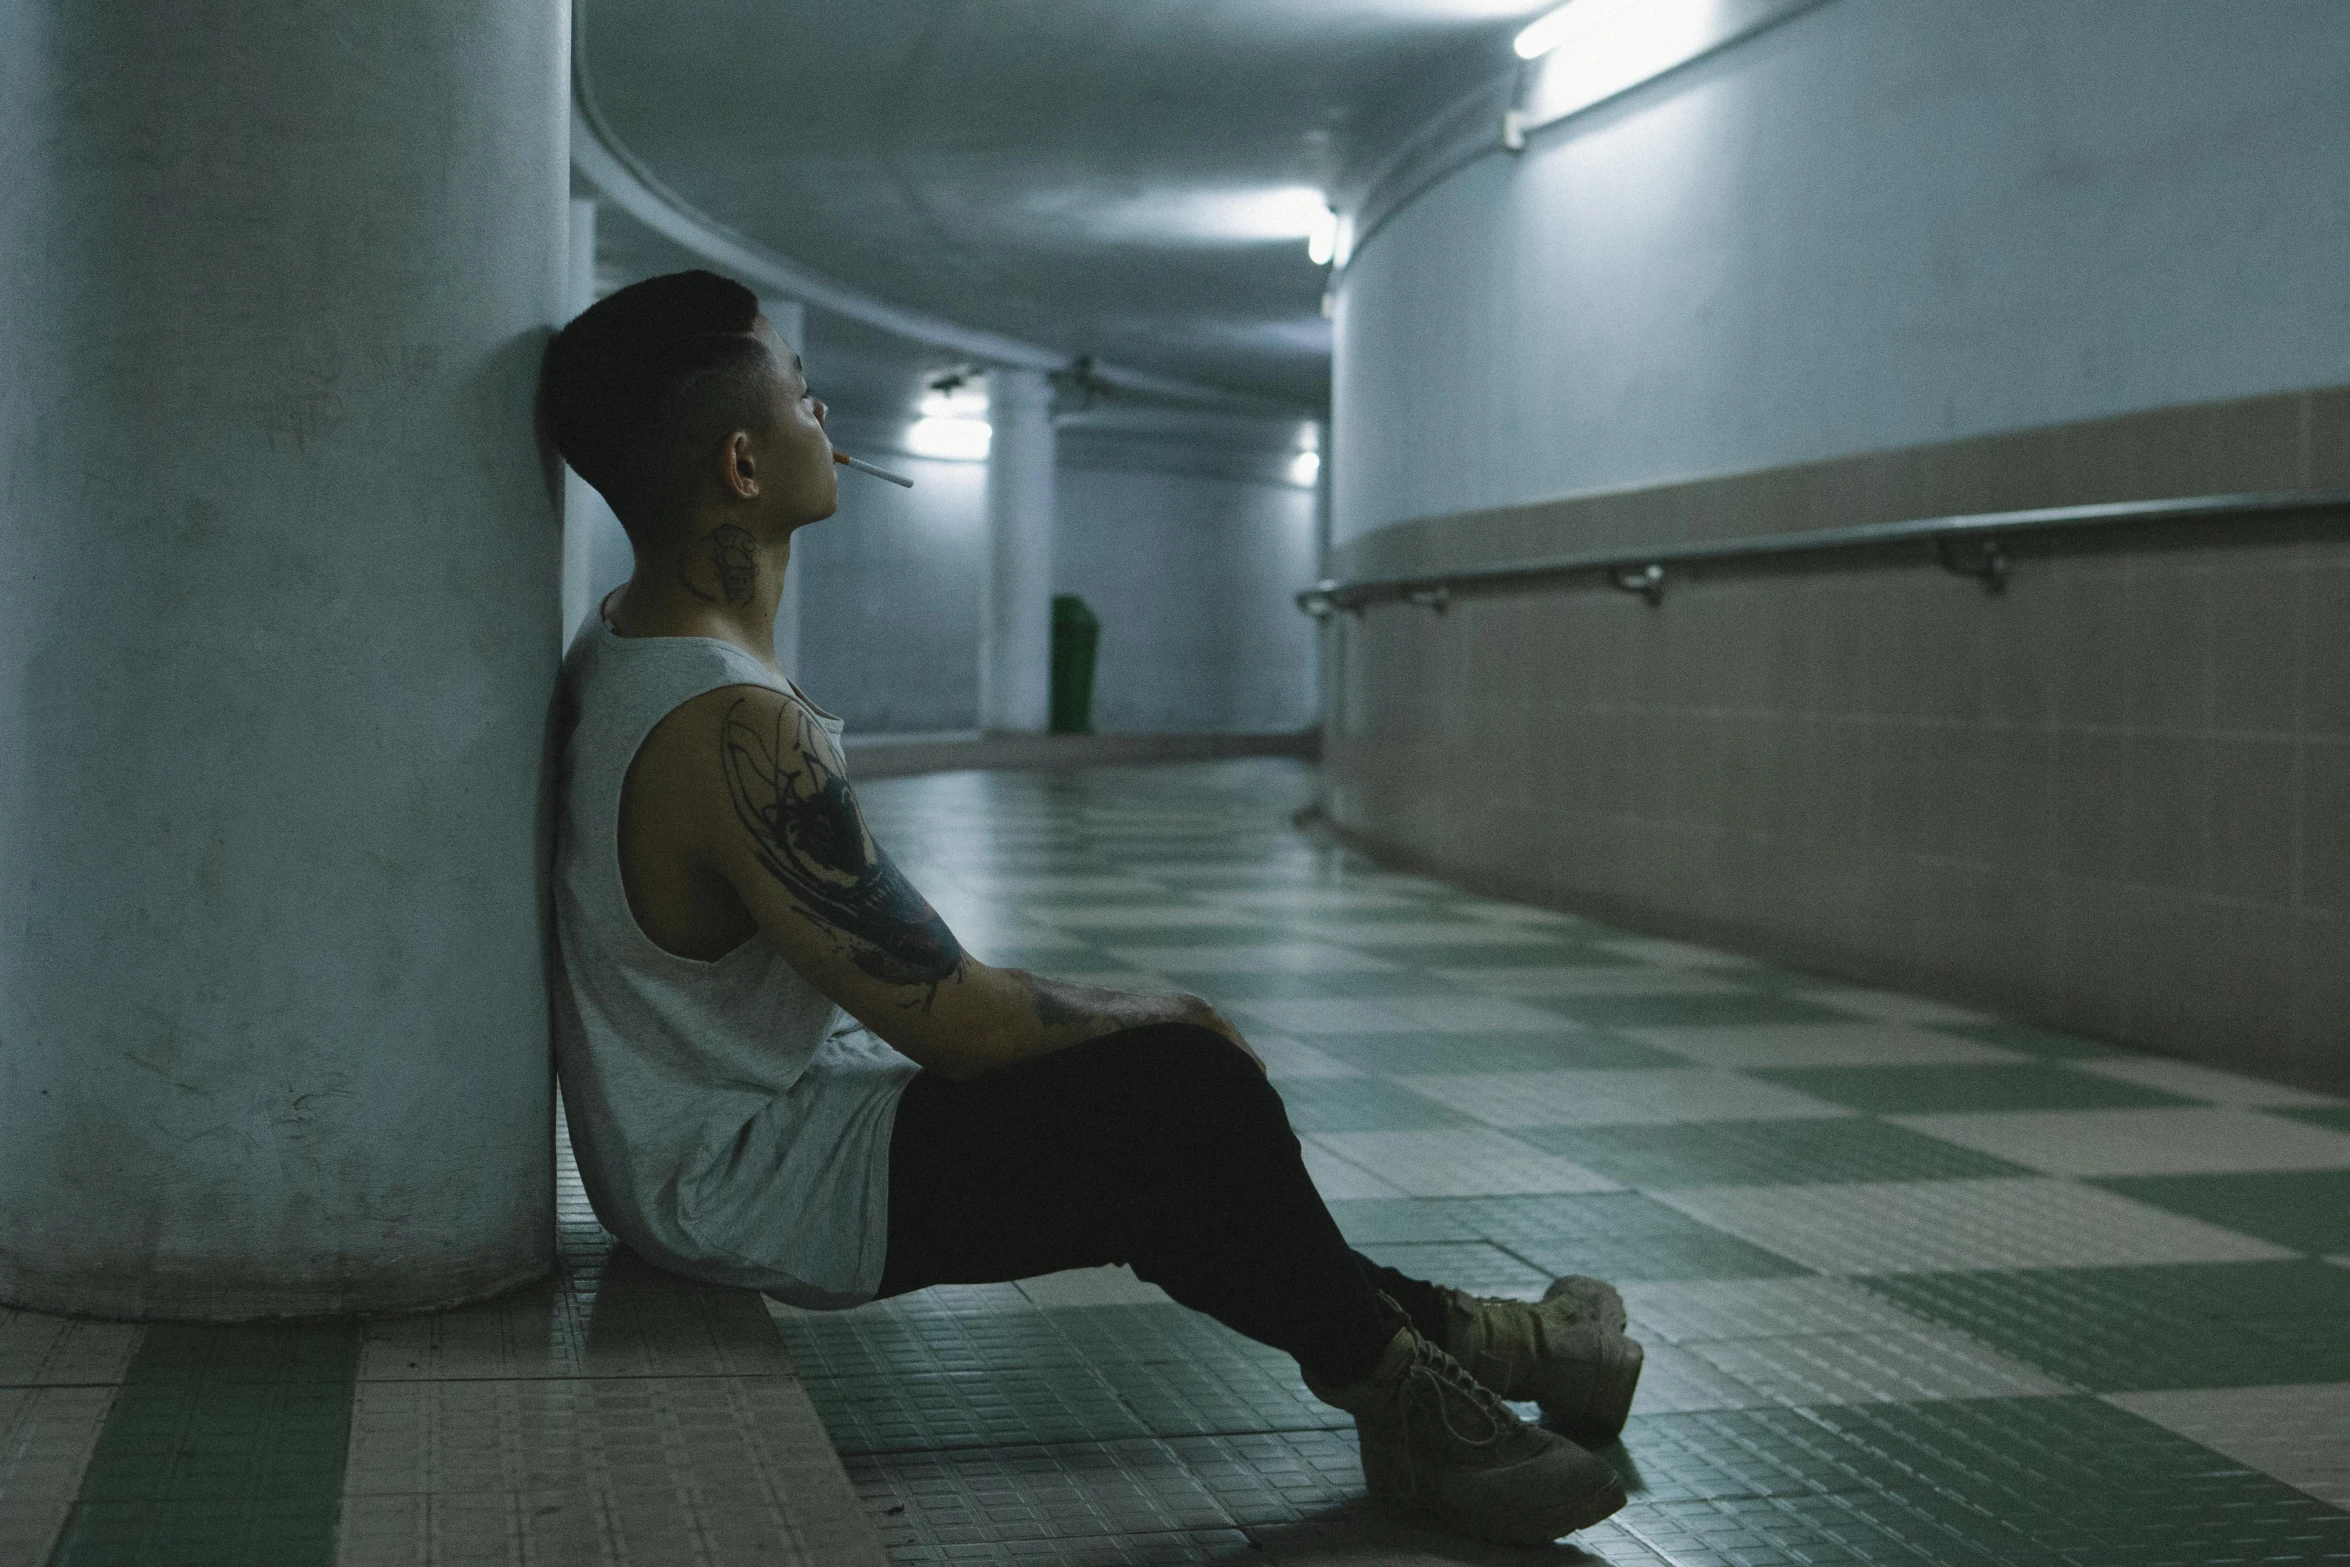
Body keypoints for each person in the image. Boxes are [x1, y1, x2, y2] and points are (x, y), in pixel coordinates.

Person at [538, 269, 1644, 1546]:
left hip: (731, 1135)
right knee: (1185, 1090)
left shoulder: (630, 634)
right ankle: (1429, 1411)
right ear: (742, 463)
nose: (823, 413)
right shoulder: (729, 722)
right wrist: (1169, 1007)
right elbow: (953, 1021)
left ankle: (1488, 1348)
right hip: (738, 1179)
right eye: (801, 392)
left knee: (1170, 1157)